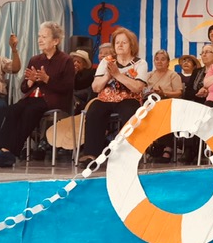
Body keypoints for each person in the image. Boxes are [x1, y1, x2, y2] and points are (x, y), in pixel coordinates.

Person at [0, 22, 74, 167]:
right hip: (32, 98)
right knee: (12, 110)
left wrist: (47, 80)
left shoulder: (66, 60)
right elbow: (23, 88)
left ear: (55, 41)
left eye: (44, 37)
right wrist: (30, 82)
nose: (40, 40)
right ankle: (4, 150)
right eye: (39, 36)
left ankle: (10, 152)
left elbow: (68, 87)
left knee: (30, 111)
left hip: (52, 100)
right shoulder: (35, 59)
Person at [78, 27, 148, 168]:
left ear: (131, 45)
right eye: (117, 42)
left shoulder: (140, 63)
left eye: (124, 42)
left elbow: (137, 87)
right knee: (94, 110)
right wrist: (107, 76)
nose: (120, 45)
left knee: (131, 112)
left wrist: (117, 75)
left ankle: (130, 154)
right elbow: (96, 87)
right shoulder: (106, 62)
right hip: (106, 97)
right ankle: (91, 155)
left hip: (129, 98)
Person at [180, 44, 213, 163]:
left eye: (207, 52)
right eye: (202, 52)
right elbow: (188, 93)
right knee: (190, 112)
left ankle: (208, 149)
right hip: (197, 102)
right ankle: (189, 149)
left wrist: (207, 92)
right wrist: (198, 93)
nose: (204, 55)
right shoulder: (197, 72)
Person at [146, 49, 183, 162]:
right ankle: (153, 144)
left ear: (168, 62)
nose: (159, 62)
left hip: (168, 103)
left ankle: (167, 147)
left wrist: (164, 93)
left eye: (163, 59)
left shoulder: (173, 75)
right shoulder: (149, 75)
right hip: (150, 103)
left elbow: (179, 93)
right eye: (157, 59)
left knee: (162, 112)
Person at [70, 49, 94, 113]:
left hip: (83, 99)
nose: (75, 63)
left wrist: (74, 74)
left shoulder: (89, 74)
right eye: (74, 61)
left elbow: (80, 84)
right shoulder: (69, 72)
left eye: (78, 62)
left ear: (84, 65)